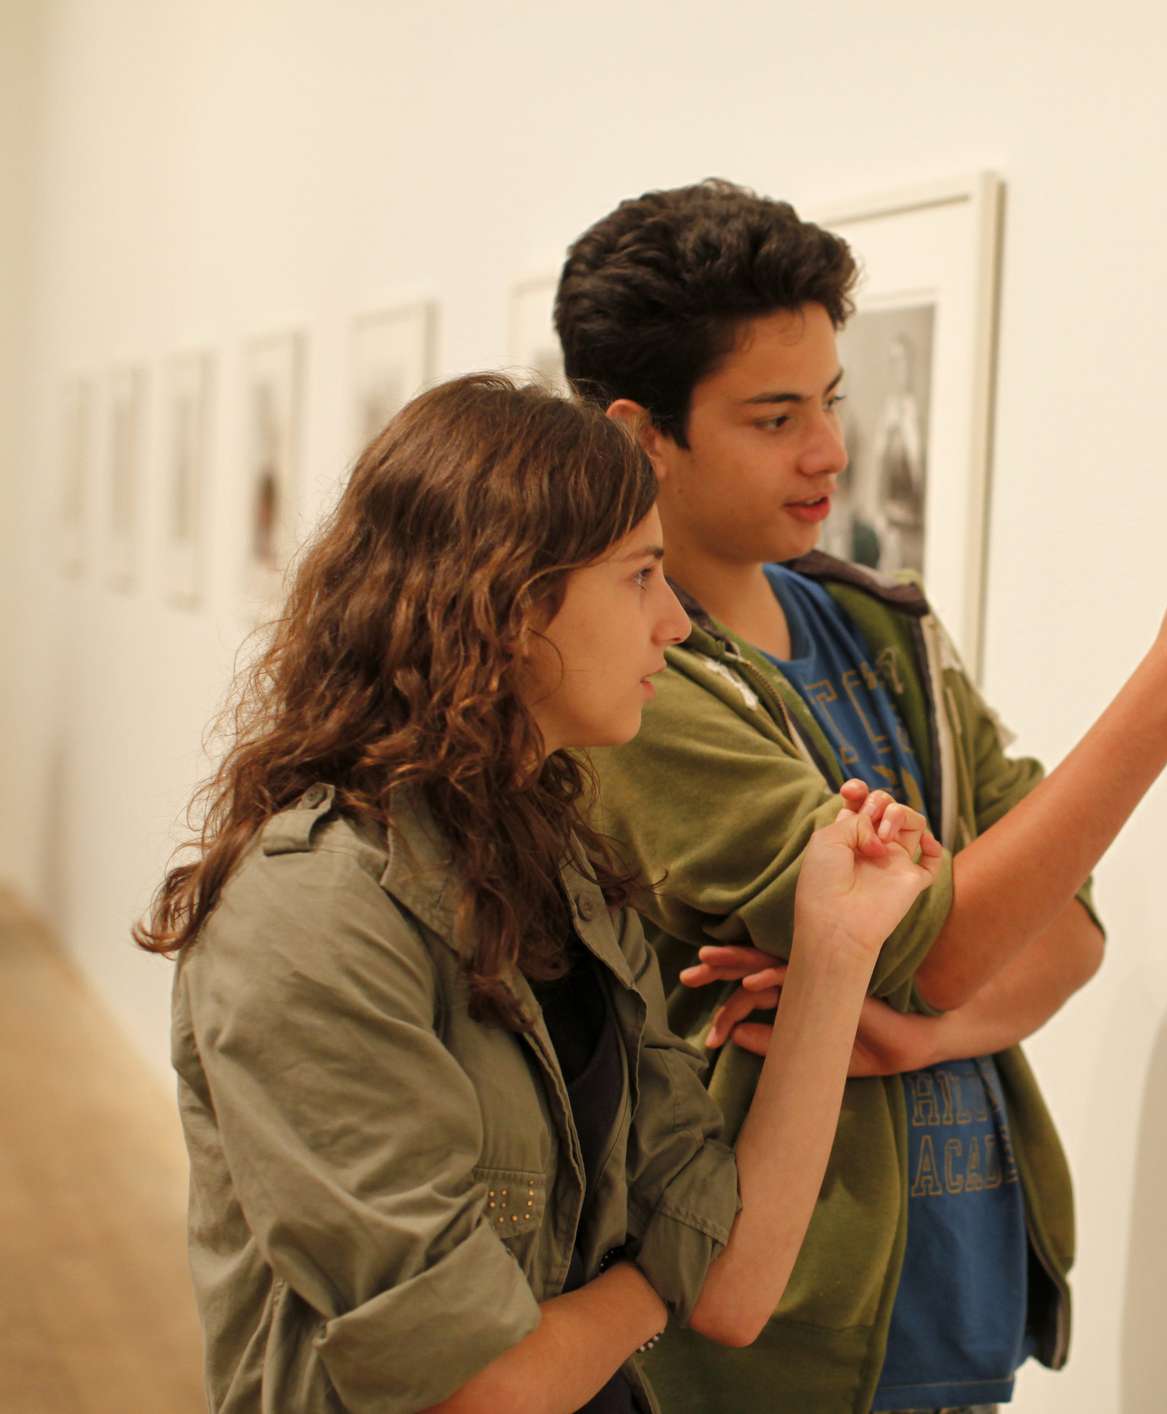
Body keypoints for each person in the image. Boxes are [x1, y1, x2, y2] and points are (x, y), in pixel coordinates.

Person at [554, 179, 1167, 1414]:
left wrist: (923, 1027)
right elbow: (941, 943)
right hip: (773, 1347)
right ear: (641, 433)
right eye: (773, 417)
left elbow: (1064, 929)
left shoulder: (878, 620)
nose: (829, 451)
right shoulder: (637, 690)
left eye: (830, 401)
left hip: (956, 1307)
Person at [138, 374, 954, 1413]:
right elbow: (480, 1385)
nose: (677, 624)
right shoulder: (309, 915)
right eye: (639, 576)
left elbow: (738, 1282)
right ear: (508, 605)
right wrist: (655, 1277)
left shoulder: (547, 863)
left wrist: (836, 947)